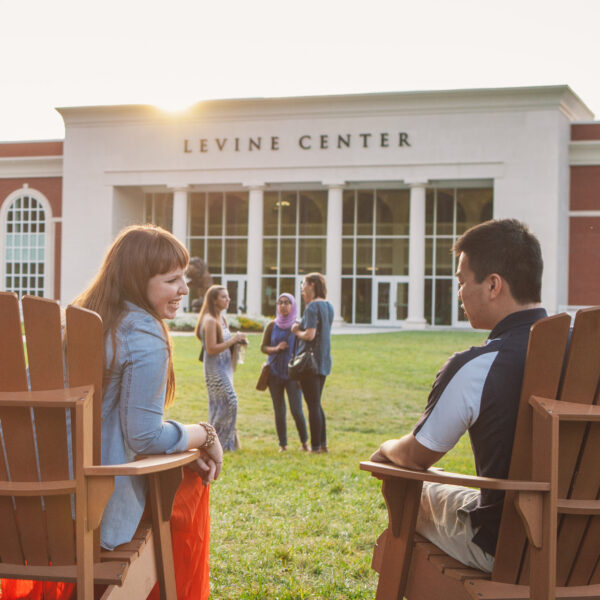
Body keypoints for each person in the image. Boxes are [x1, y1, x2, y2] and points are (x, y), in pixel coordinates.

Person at [370, 218, 546, 573]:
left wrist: (387, 448)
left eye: (462, 281)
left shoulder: (479, 365)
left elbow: (415, 457)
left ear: (493, 285)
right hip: (586, 550)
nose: (459, 293)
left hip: (508, 550)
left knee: (405, 484)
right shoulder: (582, 358)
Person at [73, 224, 221, 599]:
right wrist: (205, 434)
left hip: (32, 509)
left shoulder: (75, 324)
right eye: (172, 280)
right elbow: (144, 436)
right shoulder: (143, 334)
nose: (185, 290)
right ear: (139, 281)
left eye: (184, 279)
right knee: (188, 494)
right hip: (96, 517)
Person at [195, 285, 247, 451]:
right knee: (230, 402)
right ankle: (217, 442)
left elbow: (225, 344)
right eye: (224, 297)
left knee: (222, 404)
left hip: (225, 366)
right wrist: (233, 340)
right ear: (214, 300)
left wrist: (238, 342)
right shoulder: (209, 320)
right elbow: (211, 349)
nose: (228, 300)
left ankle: (223, 443)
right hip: (215, 369)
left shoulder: (221, 319)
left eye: (228, 296)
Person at [260, 293, 309, 452]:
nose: (283, 305)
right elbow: (263, 348)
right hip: (274, 374)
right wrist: (276, 348)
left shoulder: (297, 326)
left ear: (293, 305)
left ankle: (304, 443)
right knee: (279, 411)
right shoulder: (271, 325)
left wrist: (302, 376)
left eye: (287, 302)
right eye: (280, 302)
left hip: (293, 374)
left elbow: (303, 350)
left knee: (296, 409)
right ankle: (283, 445)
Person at [291, 273, 334, 453]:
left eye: (304, 286)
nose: (302, 290)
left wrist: (296, 330)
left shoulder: (311, 307)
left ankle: (315, 447)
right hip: (323, 361)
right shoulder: (328, 306)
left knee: (312, 404)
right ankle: (323, 444)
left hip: (309, 363)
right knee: (317, 403)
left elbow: (309, 334)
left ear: (312, 285)